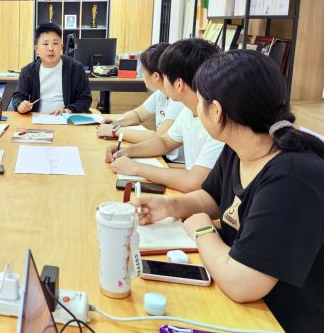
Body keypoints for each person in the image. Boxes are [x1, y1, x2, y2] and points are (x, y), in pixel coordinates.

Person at [133, 50, 323, 333]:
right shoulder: (239, 148)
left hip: (277, 320)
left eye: (200, 100)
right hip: (241, 303)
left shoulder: (292, 177)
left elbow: (241, 283)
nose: (196, 108)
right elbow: (211, 197)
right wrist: (171, 206)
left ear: (216, 111)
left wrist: (202, 230)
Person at [107, 38, 223, 193]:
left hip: (202, 197)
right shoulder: (188, 111)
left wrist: (137, 168)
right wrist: (127, 151)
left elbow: (193, 182)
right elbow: (165, 141)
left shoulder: (217, 122)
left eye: (166, 76)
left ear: (179, 84)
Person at [96, 43, 184, 163]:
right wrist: (116, 121)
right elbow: (138, 115)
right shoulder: (161, 94)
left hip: (174, 162)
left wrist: (115, 130)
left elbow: (159, 138)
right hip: (164, 156)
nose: (142, 76)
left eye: (143, 72)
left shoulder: (178, 101)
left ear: (156, 76)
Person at [11, 23, 92, 115]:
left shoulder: (76, 68)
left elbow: (85, 99)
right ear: (36, 49)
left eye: (55, 43)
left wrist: (69, 110)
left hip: (66, 119)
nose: (50, 48)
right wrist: (20, 105)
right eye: (45, 44)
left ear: (61, 46)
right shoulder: (28, 71)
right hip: (37, 119)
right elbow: (18, 96)